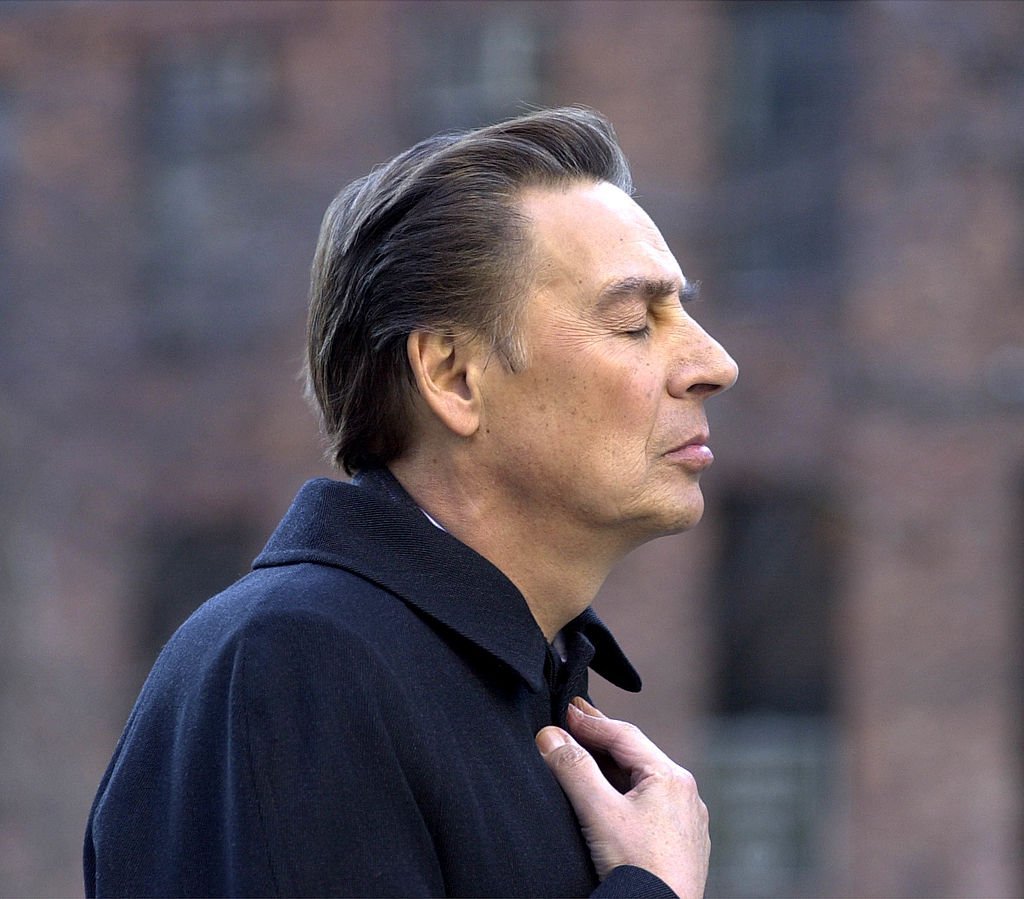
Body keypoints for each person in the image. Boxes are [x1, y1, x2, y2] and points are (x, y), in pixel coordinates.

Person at [84, 106, 738, 898]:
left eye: (684, 312)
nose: (714, 362)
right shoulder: (293, 664)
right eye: (635, 322)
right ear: (454, 376)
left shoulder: (523, 682)